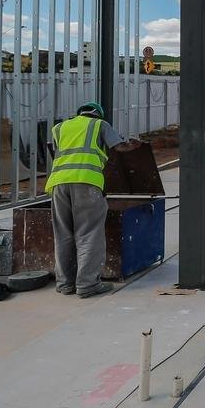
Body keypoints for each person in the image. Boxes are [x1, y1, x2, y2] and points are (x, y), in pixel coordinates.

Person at [45, 101, 136, 298]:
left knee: (63, 234)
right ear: (98, 114)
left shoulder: (59, 128)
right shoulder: (100, 125)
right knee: (89, 233)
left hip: (58, 184)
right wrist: (134, 145)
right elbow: (120, 147)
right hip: (87, 183)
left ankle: (65, 283)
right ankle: (87, 284)